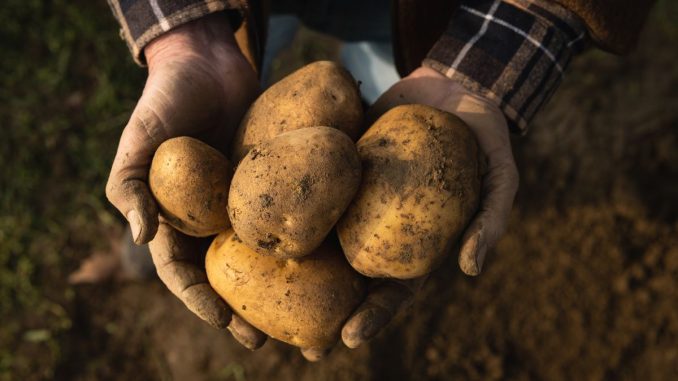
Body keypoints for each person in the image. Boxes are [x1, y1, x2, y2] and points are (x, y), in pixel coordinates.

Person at [103, 0, 653, 361]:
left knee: (393, 85)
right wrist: (184, 35)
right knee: (224, 97)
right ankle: (149, 229)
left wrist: (499, 57)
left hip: (449, 15)